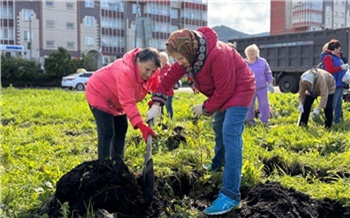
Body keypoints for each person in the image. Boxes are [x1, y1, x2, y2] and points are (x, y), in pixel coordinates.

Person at [145, 27, 255, 215]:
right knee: (218, 126)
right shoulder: (191, 56)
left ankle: (231, 195)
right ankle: (218, 164)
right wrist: (157, 103)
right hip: (221, 93)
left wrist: (205, 108)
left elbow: (225, 91)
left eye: (180, 58)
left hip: (240, 89)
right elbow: (168, 78)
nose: (179, 63)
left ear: (190, 50)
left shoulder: (218, 54)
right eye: (177, 59)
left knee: (230, 134)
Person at [85, 47, 160, 161]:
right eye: (147, 69)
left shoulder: (153, 71)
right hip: (99, 93)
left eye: (153, 71)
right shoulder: (126, 71)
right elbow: (128, 101)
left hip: (116, 100)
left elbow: (157, 87)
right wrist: (141, 125)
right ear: (138, 60)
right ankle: (104, 165)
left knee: (121, 129)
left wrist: (155, 101)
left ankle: (118, 164)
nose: (149, 74)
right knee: (107, 131)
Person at [244, 44, 274, 125]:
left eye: (253, 51)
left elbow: (268, 73)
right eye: (250, 51)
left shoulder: (262, 61)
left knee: (264, 105)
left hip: (262, 88)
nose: (252, 53)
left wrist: (270, 83)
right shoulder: (244, 63)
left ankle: (265, 121)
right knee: (249, 105)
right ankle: (250, 121)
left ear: (257, 52)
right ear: (246, 53)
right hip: (249, 89)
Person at [320, 39, 348, 124]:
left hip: (340, 83)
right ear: (334, 48)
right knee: (333, 103)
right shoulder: (328, 57)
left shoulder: (337, 57)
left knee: (339, 103)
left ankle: (337, 120)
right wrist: (341, 67)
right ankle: (330, 121)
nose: (339, 50)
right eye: (338, 48)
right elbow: (329, 69)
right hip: (333, 83)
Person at [159, 51, 174, 119]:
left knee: (168, 107)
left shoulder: (169, 67)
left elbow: (169, 77)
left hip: (168, 92)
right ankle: (161, 121)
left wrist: (160, 77)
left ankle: (170, 120)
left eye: (161, 58)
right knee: (160, 108)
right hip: (159, 91)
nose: (159, 59)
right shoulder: (158, 68)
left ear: (165, 59)